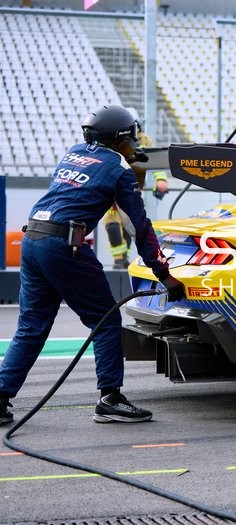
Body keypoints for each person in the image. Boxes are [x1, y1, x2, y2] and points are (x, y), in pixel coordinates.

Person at [0, 104, 186, 427]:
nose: (134, 144)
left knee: (30, 328)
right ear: (117, 139)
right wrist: (164, 275)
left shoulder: (73, 153)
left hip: (34, 239)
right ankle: (110, 397)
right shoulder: (118, 168)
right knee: (106, 319)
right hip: (63, 246)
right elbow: (140, 228)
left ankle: (0, 396)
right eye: (129, 138)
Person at [102, 130, 169, 269]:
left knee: (130, 226)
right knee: (113, 226)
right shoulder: (107, 138)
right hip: (111, 189)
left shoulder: (143, 139)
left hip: (130, 189)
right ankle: (119, 261)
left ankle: (123, 259)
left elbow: (153, 158)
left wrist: (161, 179)